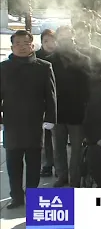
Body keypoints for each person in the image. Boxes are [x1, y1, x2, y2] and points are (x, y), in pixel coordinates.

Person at [0, 30, 57, 209]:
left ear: (32, 46)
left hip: (34, 122)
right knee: (13, 163)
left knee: (33, 163)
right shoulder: (3, 68)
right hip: (12, 123)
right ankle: (16, 196)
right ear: (12, 47)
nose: (22, 47)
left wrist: (50, 118)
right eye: (18, 44)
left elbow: (51, 95)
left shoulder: (43, 67)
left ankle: (32, 194)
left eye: (26, 43)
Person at [47, 26, 92, 187]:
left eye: (69, 36)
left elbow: (88, 88)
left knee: (77, 149)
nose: (66, 40)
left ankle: (75, 178)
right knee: (58, 147)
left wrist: (87, 109)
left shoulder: (84, 60)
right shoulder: (49, 61)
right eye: (62, 37)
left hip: (77, 111)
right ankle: (62, 176)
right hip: (57, 112)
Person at [35, 29, 57, 177]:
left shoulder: (60, 56)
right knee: (45, 137)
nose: (50, 44)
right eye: (46, 41)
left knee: (58, 138)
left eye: (53, 40)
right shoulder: (36, 58)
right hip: (41, 101)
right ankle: (47, 164)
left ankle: (59, 167)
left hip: (59, 100)